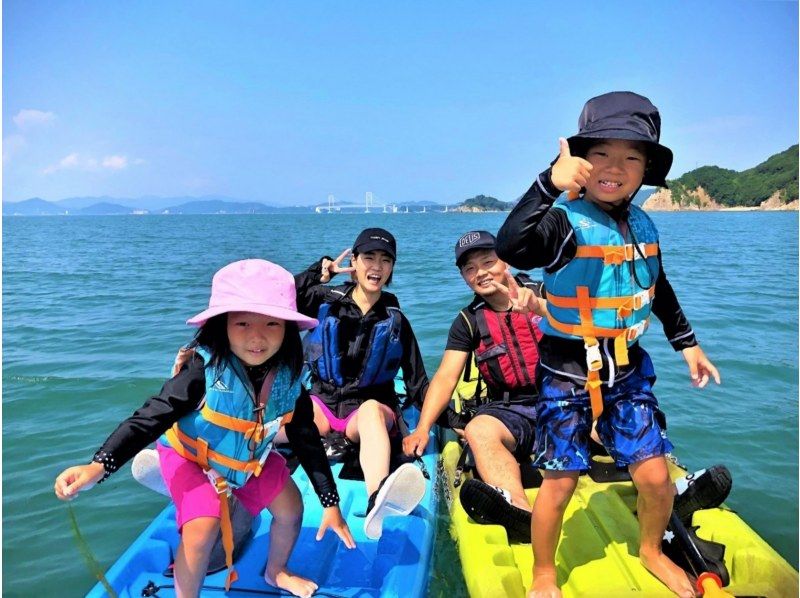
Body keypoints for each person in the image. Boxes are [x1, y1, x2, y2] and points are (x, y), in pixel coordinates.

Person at [496, 91, 721, 598]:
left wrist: (688, 344)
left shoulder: (644, 224)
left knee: (657, 476)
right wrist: (545, 185)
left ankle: (650, 550)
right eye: (601, 153)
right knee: (559, 482)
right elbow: (511, 245)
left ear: (646, 170)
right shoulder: (561, 222)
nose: (615, 167)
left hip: (628, 368)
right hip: (566, 372)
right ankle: (544, 573)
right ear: (579, 160)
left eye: (632, 157)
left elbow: (655, 287)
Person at [54, 259, 355, 598]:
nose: (257, 337)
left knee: (291, 508)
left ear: (288, 328)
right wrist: (99, 466)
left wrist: (330, 503)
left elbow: (306, 438)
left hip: (246, 456)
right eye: (242, 323)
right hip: (191, 457)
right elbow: (151, 417)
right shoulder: (203, 370)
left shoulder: (288, 375)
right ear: (221, 325)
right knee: (202, 527)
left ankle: (276, 572)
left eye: (272, 323)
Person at [402, 230, 546, 542]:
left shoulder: (542, 293)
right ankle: (520, 513)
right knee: (480, 431)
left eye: (488, 261)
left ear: (504, 261)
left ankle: (670, 492)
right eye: (470, 269)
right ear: (465, 278)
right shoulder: (468, 321)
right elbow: (445, 378)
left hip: (562, 400)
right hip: (511, 411)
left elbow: (587, 329)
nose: (480, 272)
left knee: (605, 414)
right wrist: (423, 428)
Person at [295, 227, 438, 540]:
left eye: (386, 260)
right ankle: (214, 460)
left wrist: (444, 423)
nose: (377, 266)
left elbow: (417, 382)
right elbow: (276, 300)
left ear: (391, 269)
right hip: (323, 404)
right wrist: (317, 273)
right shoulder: (324, 301)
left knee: (373, 410)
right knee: (289, 413)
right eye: (369, 257)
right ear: (354, 262)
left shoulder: (395, 318)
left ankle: (378, 496)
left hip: (365, 415)